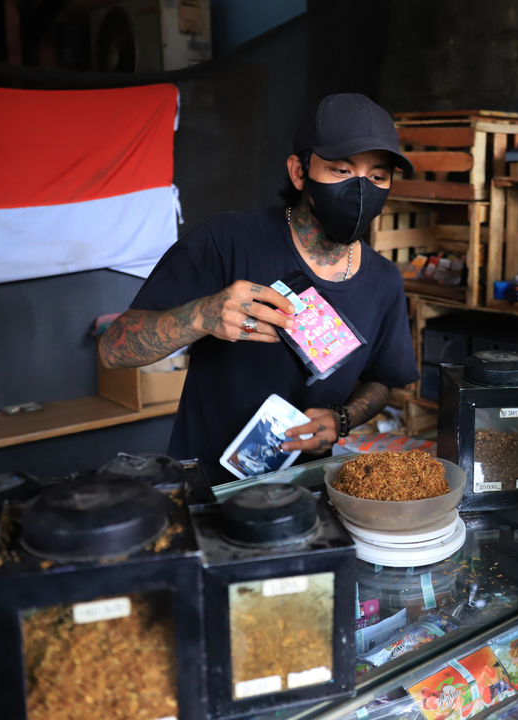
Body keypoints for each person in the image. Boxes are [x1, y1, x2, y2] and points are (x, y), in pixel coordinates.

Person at [99, 93, 419, 483]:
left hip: (307, 493)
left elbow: (383, 380)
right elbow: (113, 349)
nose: (361, 188)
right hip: (205, 489)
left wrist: (342, 418)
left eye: (378, 176)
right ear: (299, 172)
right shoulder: (227, 240)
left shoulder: (384, 280)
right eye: (340, 170)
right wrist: (202, 315)